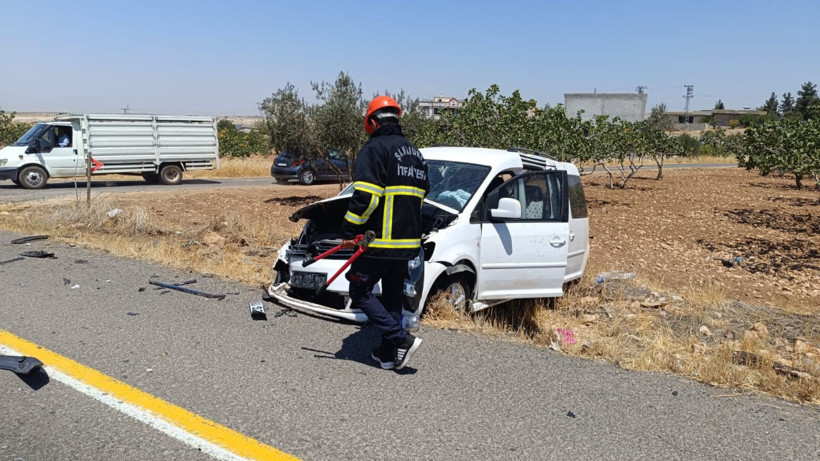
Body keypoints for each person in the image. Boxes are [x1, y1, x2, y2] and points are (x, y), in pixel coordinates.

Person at [342, 95, 429, 370]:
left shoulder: (374, 149)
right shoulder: (416, 154)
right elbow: (421, 196)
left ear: (372, 122)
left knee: (359, 288)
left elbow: (367, 197)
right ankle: (388, 353)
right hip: (408, 242)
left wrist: (350, 227)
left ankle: (401, 339)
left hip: (381, 241)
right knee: (392, 294)